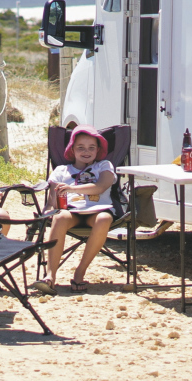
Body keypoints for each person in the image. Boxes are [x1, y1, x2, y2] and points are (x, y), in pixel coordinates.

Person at [38, 125, 117, 293]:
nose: (86, 151)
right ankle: (50, 276)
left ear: (98, 150)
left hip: (97, 211)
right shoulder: (61, 171)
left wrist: (71, 189)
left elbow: (100, 187)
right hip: (71, 213)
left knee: (104, 218)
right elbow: (52, 201)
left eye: (91, 147)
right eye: (80, 147)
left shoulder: (104, 166)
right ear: (72, 149)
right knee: (60, 216)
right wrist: (47, 212)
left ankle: (80, 272)